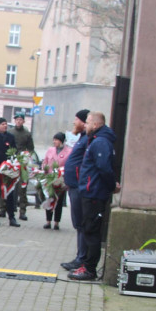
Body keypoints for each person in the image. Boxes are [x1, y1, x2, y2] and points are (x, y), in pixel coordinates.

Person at [68, 112, 118, 281]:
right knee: (88, 229)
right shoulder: (95, 140)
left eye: (88, 123)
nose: (86, 125)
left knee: (91, 231)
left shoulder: (101, 142)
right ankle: (86, 265)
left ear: (96, 125)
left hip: (94, 193)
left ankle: (89, 269)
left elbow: (104, 168)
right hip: (89, 192)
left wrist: (112, 186)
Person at [61, 109, 90, 270]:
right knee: (78, 224)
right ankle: (80, 256)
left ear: (84, 122)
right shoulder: (83, 138)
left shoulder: (88, 139)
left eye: (77, 120)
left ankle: (82, 258)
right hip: (74, 185)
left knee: (81, 224)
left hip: (79, 186)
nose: (74, 122)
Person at [42, 132, 71, 230]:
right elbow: (45, 161)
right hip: (50, 178)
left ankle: (56, 222)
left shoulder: (69, 151)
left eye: (57, 140)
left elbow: (69, 165)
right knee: (49, 199)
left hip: (61, 180)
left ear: (62, 141)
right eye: (54, 140)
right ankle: (48, 221)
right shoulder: (50, 150)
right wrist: (44, 167)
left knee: (59, 201)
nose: (54, 142)